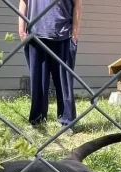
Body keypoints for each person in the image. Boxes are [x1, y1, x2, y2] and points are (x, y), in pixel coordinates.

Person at [18, 0, 82, 130]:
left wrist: (74, 35)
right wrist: (21, 29)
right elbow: (24, 2)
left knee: (64, 83)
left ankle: (67, 121)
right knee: (38, 82)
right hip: (35, 36)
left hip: (64, 35)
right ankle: (37, 120)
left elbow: (78, 4)